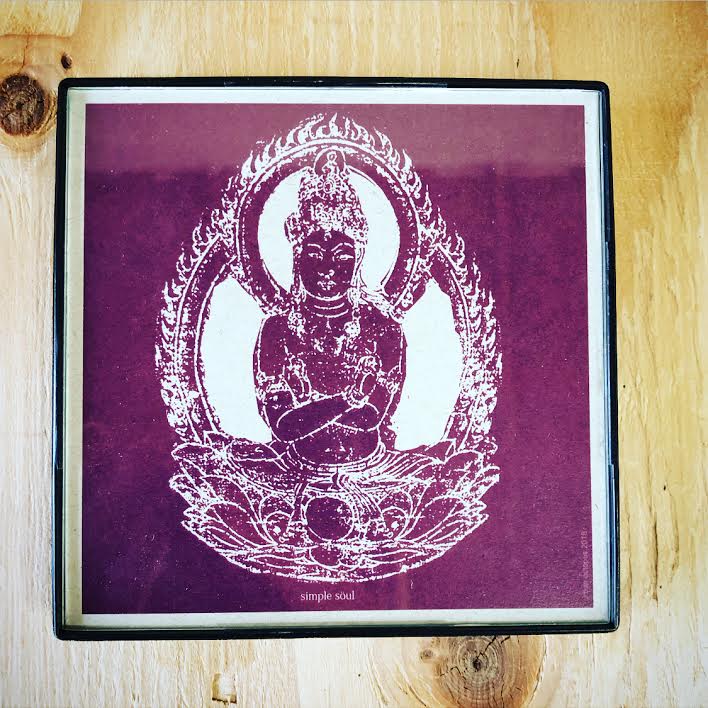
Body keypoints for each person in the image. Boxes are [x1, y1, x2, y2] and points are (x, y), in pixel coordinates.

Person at [254, 148, 405, 475]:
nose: (327, 269)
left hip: (373, 470)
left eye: (341, 257)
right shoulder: (277, 329)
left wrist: (308, 406)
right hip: (293, 471)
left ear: (358, 260)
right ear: (296, 257)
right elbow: (283, 427)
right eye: (313, 255)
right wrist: (348, 400)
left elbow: (369, 418)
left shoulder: (384, 328)